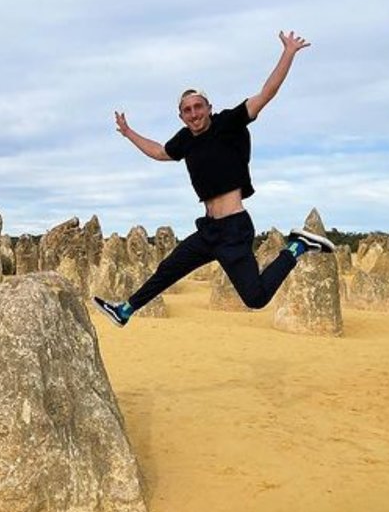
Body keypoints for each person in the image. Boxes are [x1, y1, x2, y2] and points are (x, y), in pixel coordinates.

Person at [93, 31, 335, 327]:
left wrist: (288, 52)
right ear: (181, 116)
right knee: (168, 268)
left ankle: (296, 247)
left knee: (255, 298)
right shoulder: (185, 140)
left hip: (234, 229)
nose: (193, 114)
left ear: (208, 107)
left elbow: (266, 93)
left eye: (198, 107)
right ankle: (125, 311)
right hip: (209, 230)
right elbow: (158, 152)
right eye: (187, 110)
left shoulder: (228, 123)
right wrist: (129, 133)